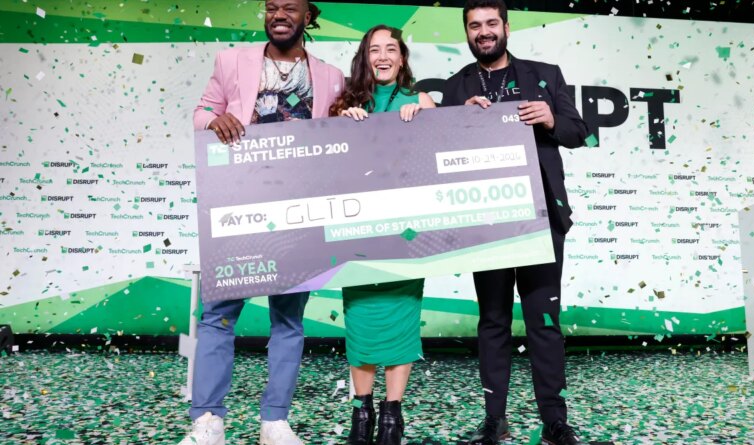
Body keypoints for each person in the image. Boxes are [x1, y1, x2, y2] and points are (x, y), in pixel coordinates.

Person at [179, 1, 344, 444]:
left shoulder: (330, 75)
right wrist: (216, 119)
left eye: (290, 7)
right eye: (272, 7)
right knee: (218, 317)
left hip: (299, 213)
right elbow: (199, 114)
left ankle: (275, 421)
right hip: (239, 203)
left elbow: (340, 136)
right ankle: (208, 421)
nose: (279, 14)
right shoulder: (232, 61)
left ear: (308, 16)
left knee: (288, 320)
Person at [441, 1, 590, 444]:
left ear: (506, 27)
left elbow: (579, 132)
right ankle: (495, 419)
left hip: (542, 217)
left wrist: (550, 119)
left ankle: (554, 421)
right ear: (467, 33)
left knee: (544, 321)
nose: (483, 32)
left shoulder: (545, 73)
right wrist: (458, 122)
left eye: (490, 24)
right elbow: (436, 153)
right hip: (486, 222)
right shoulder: (454, 87)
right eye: (474, 26)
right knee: (492, 322)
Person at [328, 25, 436, 445]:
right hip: (358, 233)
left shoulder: (421, 100)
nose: (384, 55)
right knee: (361, 322)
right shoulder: (345, 106)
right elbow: (325, 168)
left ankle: (393, 414)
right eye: (375, 49)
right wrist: (342, 126)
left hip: (406, 235)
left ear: (403, 57)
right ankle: (361, 411)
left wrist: (427, 121)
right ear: (365, 58)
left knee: (401, 320)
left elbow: (448, 149)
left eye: (392, 48)